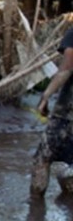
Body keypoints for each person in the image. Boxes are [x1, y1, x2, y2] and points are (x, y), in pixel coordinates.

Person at [30, 27, 73, 200]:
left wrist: (46, 95)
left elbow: (67, 67)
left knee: (43, 157)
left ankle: (35, 209)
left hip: (69, 111)